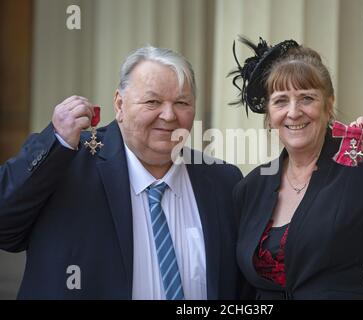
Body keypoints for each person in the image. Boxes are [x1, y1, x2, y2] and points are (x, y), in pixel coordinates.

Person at [0, 46, 243, 299]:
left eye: (182, 103)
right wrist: (56, 142)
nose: (169, 115)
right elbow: (5, 226)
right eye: (153, 102)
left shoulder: (223, 182)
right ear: (119, 104)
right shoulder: (68, 163)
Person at [230, 36, 363, 299]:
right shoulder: (250, 187)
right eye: (280, 101)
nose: (293, 111)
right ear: (269, 115)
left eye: (306, 98)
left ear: (329, 104)